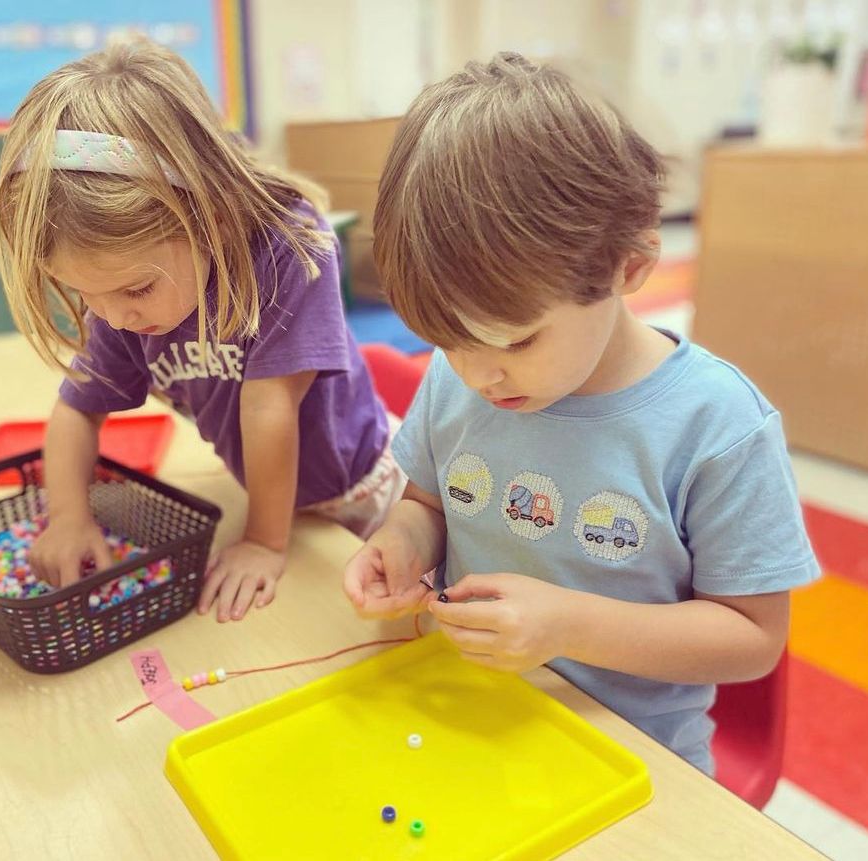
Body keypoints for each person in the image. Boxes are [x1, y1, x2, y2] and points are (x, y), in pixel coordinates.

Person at [343, 53, 819, 773]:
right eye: (447, 340)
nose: (477, 373)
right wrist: (402, 542)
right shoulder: (459, 375)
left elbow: (752, 638)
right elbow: (424, 501)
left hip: (631, 757)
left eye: (515, 338)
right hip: (470, 714)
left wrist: (567, 626)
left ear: (628, 266)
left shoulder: (716, 426)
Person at [0, 40, 402, 622]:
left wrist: (263, 543)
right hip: (274, 498)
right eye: (85, 294)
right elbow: (76, 410)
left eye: (135, 291)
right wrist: (68, 518)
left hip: (363, 489)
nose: (112, 317)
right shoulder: (121, 300)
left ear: (206, 212)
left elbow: (269, 407)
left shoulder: (288, 248)